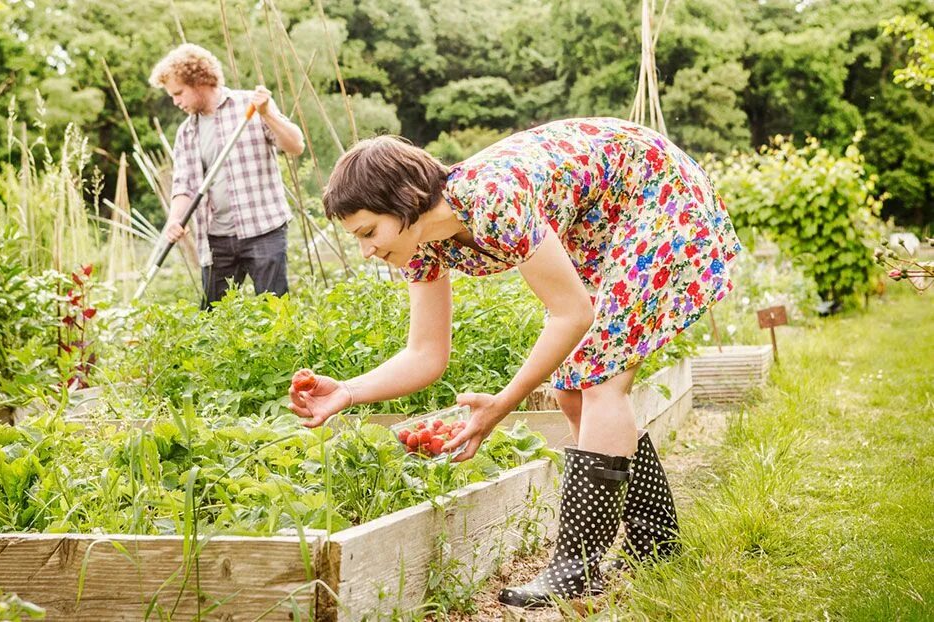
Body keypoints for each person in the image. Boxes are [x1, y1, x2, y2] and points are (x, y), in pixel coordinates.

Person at [287, 118, 741, 607]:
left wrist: (503, 403)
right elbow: (425, 355)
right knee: (572, 386)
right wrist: (348, 391)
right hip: (604, 219)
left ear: (405, 201)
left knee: (599, 378)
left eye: (369, 231)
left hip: (657, 193)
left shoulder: (492, 199)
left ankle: (576, 568)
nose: (367, 249)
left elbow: (573, 313)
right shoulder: (420, 246)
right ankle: (656, 542)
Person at [149, 44, 305, 306]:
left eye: (178, 93)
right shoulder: (187, 133)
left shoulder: (251, 107)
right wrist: (176, 219)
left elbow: (295, 145)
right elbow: (184, 186)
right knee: (213, 319)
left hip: (263, 230)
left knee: (275, 313)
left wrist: (267, 114)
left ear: (199, 81)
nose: (176, 102)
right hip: (217, 240)